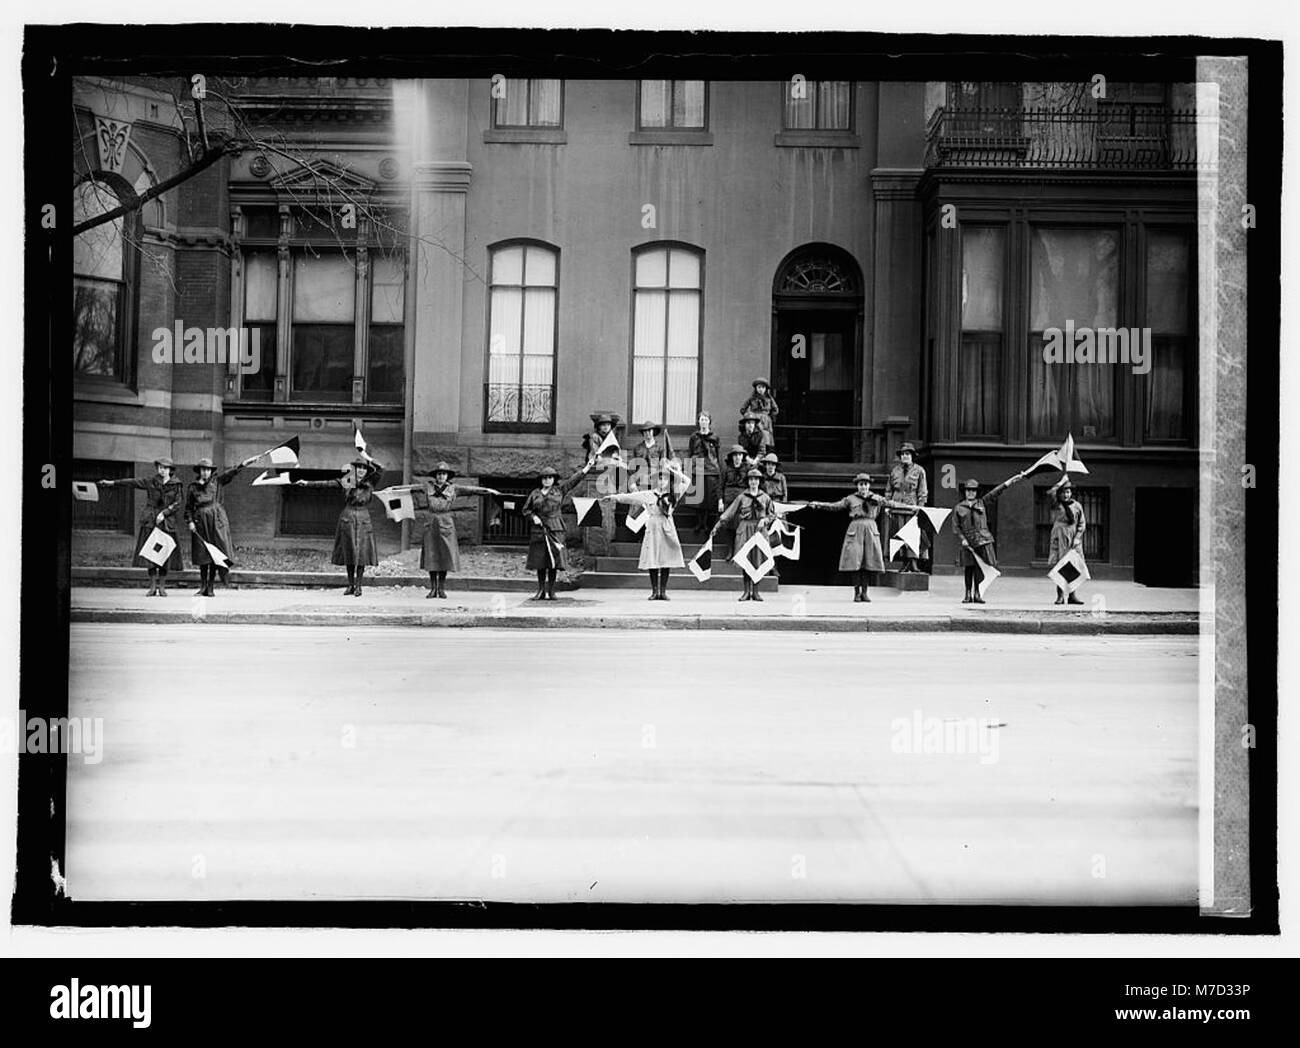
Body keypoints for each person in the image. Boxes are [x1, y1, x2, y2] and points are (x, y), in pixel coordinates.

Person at [807, 473, 912, 602]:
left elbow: (891, 504)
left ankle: (865, 592)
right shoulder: (850, 499)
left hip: (870, 529)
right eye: (861, 484)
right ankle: (857, 592)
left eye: (866, 484)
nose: (863, 487)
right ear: (857, 486)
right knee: (855, 562)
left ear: (869, 485)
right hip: (855, 530)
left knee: (869, 562)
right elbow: (835, 506)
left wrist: (911, 507)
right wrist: (817, 504)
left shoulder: (876, 498)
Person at [294, 456, 385, 597]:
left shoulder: (371, 481)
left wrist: (368, 457)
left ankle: (359, 586)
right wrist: (306, 483)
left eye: (364, 468)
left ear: (367, 470)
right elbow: (327, 483)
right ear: (354, 469)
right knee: (349, 551)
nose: (361, 470)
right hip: (348, 516)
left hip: (363, 517)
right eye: (359, 468)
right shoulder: (347, 481)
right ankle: (350, 585)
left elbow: (381, 468)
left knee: (361, 553)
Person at [96, 456, 185, 596]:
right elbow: (132, 482)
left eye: (165, 468)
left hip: (167, 523)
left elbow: (178, 502)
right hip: (150, 520)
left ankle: (162, 587)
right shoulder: (151, 481)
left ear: (170, 470)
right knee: (151, 553)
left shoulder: (176, 484)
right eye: (160, 467)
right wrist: (111, 482)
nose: (162, 470)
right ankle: (152, 587)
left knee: (164, 554)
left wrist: (165, 513)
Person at [415, 462, 500, 599]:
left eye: (444, 474)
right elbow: (411, 489)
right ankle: (433, 589)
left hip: (446, 522)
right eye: (439, 474)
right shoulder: (428, 487)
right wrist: (392, 491)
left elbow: (471, 490)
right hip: (431, 523)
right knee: (431, 556)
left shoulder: (453, 488)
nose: (441, 476)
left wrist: (488, 491)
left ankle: (441, 588)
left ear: (447, 476)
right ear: (435, 476)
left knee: (444, 555)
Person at [601, 474, 690, 601]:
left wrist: (674, 471)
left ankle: (663, 591)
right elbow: (631, 497)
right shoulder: (649, 494)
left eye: (664, 479)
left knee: (665, 558)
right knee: (652, 558)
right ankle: (654, 591)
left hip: (667, 526)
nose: (661, 482)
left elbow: (687, 481)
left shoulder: (673, 494)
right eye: (659, 479)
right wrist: (614, 497)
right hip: (653, 527)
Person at [185, 454, 260, 597]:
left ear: (211, 471)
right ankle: (202, 586)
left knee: (215, 554)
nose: (205, 472)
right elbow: (188, 508)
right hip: (200, 523)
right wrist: (190, 521)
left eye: (208, 470)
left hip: (216, 522)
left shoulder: (217, 482)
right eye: (203, 469)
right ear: (199, 471)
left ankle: (211, 587)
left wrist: (245, 463)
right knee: (203, 555)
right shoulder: (193, 488)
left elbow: (232, 472)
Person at [952, 470, 1028, 604]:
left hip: (981, 540)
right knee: (969, 568)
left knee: (980, 568)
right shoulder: (959, 507)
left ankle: (978, 593)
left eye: (973, 490)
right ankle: (967, 594)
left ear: (977, 492)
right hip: (967, 542)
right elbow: (956, 526)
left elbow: (995, 492)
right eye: (968, 490)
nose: (971, 493)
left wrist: (1010, 481)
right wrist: (962, 539)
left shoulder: (982, 503)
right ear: (965, 491)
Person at [521, 461, 593, 601]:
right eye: (544, 477)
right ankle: (541, 590)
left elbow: (573, 481)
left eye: (550, 477)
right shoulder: (535, 493)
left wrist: (587, 468)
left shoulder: (559, 490)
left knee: (553, 560)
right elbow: (526, 509)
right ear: (541, 480)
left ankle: (551, 591)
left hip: (555, 528)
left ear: (554, 479)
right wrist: (533, 517)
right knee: (540, 561)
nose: (547, 480)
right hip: (539, 529)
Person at [710, 467, 776, 602]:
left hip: (759, 530)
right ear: (748, 482)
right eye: (751, 479)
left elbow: (772, 514)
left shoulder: (765, 497)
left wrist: (765, 520)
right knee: (746, 560)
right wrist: (717, 526)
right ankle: (746, 591)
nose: (753, 482)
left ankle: (756, 592)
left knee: (757, 560)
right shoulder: (741, 497)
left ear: (759, 481)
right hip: (744, 529)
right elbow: (729, 513)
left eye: (756, 479)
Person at [886, 442, 929, 573]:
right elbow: (889, 490)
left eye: (907, 454)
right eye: (903, 454)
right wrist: (888, 505)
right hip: (897, 506)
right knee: (900, 535)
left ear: (912, 456)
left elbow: (923, 491)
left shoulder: (919, 470)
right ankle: (904, 563)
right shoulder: (895, 471)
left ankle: (914, 563)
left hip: (912, 507)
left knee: (913, 535)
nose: (905, 456)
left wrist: (920, 506)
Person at [1046, 473, 1087, 605]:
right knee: (1061, 566)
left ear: (1071, 493)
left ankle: (1072, 596)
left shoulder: (1077, 506)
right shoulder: (1057, 504)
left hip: (1073, 538)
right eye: (1063, 492)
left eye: (1068, 492)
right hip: (1060, 538)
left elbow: (1082, 523)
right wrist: (1061, 481)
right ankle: (1060, 596)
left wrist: (1077, 537)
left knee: (1073, 566)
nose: (1066, 495)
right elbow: (1050, 492)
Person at [687, 411, 720, 534]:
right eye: (701, 419)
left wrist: (716, 468)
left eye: (706, 419)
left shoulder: (714, 437)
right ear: (698, 422)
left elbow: (716, 454)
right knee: (697, 497)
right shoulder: (694, 437)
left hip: (710, 468)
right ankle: (698, 522)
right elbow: (690, 452)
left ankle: (705, 523)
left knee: (707, 498)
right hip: (697, 467)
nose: (704, 422)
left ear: (709, 422)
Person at [716, 444, 749, 557]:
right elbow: (720, 486)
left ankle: (738, 550)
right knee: (729, 525)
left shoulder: (747, 469)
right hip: (729, 500)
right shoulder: (726, 469)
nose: (737, 457)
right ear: (732, 457)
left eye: (739, 455)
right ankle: (730, 550)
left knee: (740, 525)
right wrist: (720, 500)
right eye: (735, 455)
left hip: (742, 500)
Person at [739, 377, 780, 453]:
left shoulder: (769, 399)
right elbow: (742, 409)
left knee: (766, 437)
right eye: (759, 387)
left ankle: (765, 452)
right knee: (756, 436)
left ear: (766, 389)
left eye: (763, 387)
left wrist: (768, 417)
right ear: (756, 388)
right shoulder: (752, 399)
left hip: (766, 421)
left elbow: (775, 409)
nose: (761, 389)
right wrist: (749, 417)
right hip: (755, 420)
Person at [632, 420, 673, 490]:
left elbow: (663, 467)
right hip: (641, 483)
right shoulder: (637, 448)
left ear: (653, 431)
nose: (647, 433)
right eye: (645, 431)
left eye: (649, 431)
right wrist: (632, 483)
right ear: (643, 433)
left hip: (655, 483)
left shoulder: (660, 448)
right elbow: (633, 468)